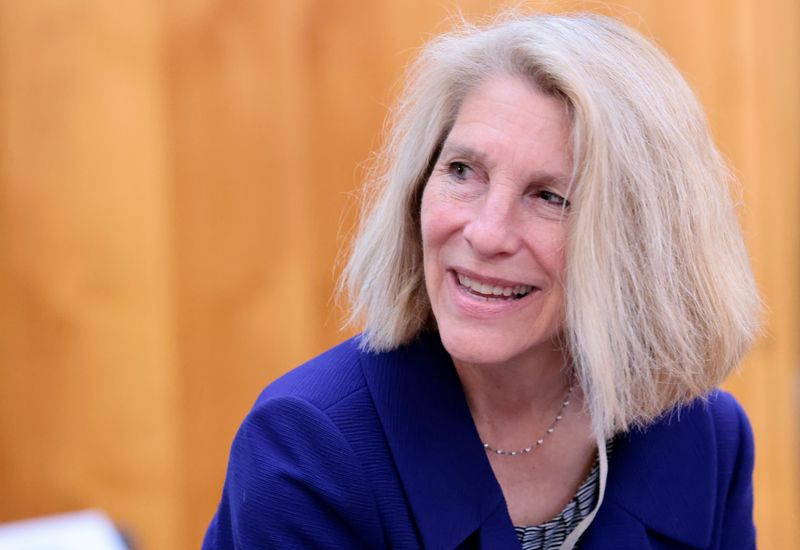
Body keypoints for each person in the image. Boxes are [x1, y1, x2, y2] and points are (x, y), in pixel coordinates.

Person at [203, 12, 760, 550]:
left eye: (550, 197)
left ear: (643, 242)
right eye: (463, 171)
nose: (486, 232)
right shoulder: (310, 449)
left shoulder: (705, 438)